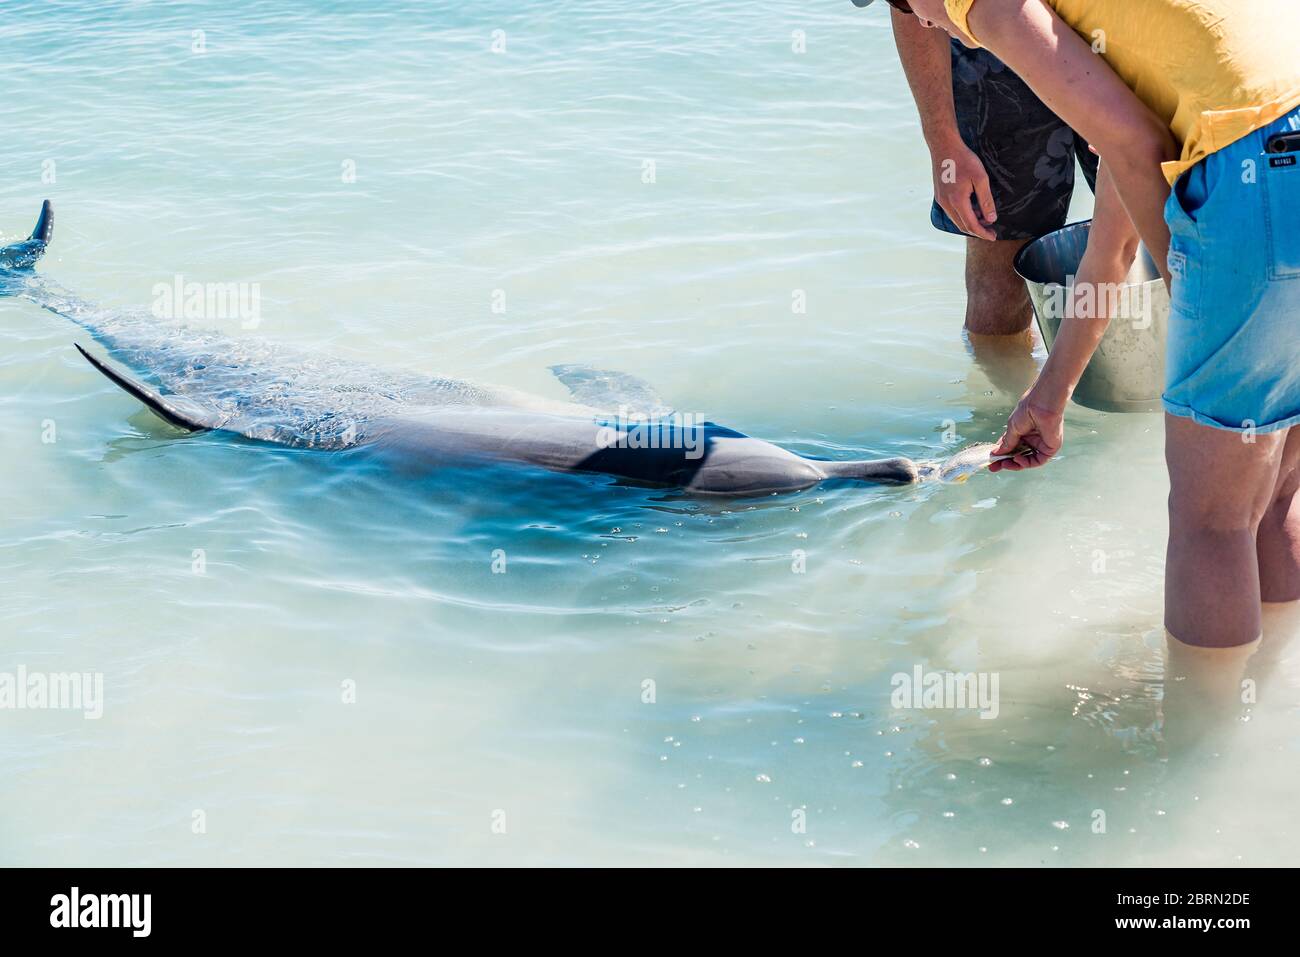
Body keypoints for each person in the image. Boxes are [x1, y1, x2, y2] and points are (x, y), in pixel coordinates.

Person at [894, 0, 1300, 651]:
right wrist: (1050, 395)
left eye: (914, 12)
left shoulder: (990, 6)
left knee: (1211, 521)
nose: (930, 27)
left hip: (1259, 163)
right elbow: (1115, 225)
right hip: (1280, 137)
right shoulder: (1129, 29)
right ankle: (1272, 717)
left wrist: (1197, 298)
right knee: (1273, 494)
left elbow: (1139, 151)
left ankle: (1202, 745)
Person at [854, 0, 1100, 337]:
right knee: (1000, 269)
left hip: (1119, 28)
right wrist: (943, 141)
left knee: (1165, 227)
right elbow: (910, 5)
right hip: (989, 48)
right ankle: (1001, 388)